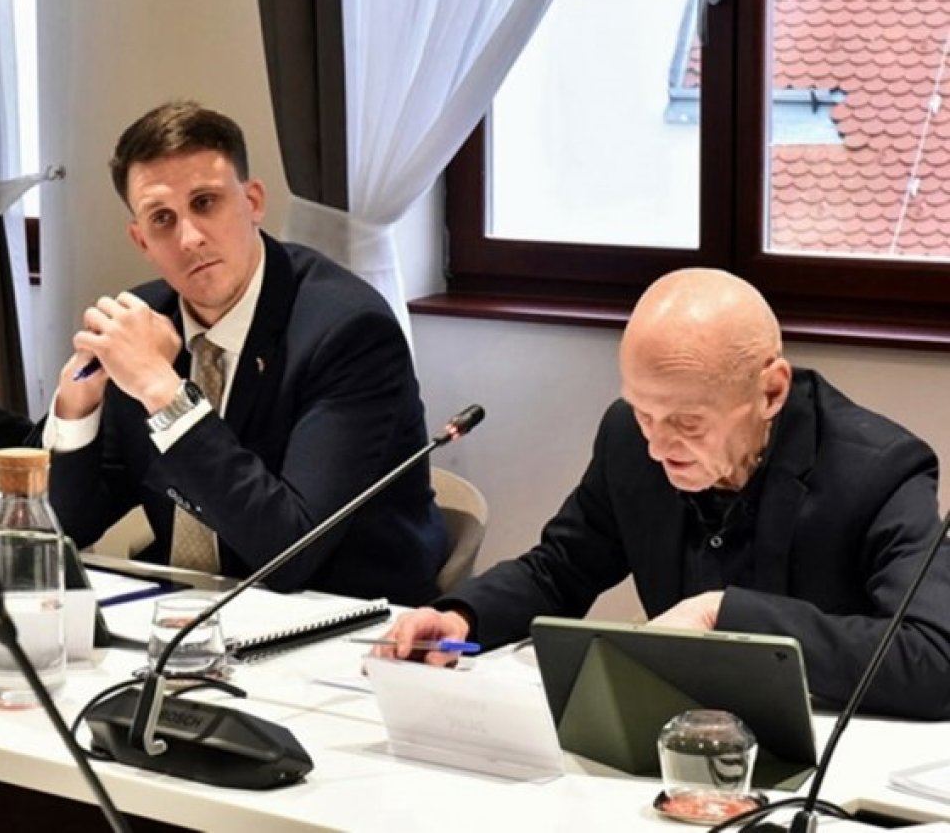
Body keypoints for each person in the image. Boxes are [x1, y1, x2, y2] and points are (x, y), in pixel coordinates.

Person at [379, 268, 950, 719]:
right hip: (674, 735)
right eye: (644, 412)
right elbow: (561, 569)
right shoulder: (629, 439)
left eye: (687, 422)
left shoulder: (878, 471)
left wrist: (724, 614)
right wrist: (463, 617)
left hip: (830, 753)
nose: (658, 446)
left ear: (770, 392)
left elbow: (933, 657)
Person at [43, 101, 446, 605]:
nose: (189, 238)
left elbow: (289, 550)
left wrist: (164, 394)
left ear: (253, 202)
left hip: (342, 615)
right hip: (187, 614)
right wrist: (75, 411)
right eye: (163, 219)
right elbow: (63, 528)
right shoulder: (146, 324)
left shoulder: (348, 331)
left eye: (205, 203)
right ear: (141, 240)